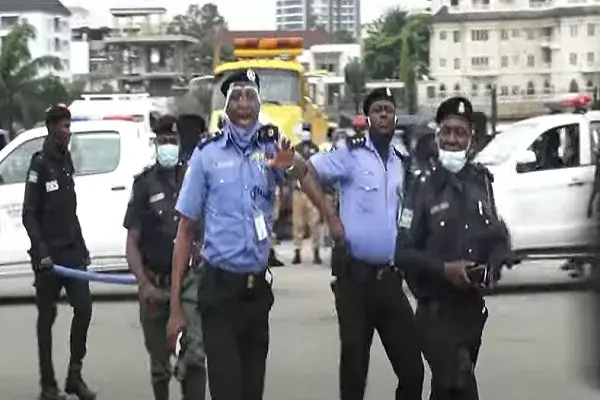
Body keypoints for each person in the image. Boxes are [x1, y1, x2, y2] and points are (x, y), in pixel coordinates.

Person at [289, 88, 425, 400]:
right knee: (354, 371)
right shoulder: (349, 153)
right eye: (377, 110)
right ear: (366, 118)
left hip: (390, 280)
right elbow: (304, 171)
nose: (384, 116)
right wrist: (330, 216)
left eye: (389, 110)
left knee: (412, 370)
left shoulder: (402, 160)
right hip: (355, 281)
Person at [167, 69, 294, 400]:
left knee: (253, 392)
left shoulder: (270, 149)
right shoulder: (207, 155)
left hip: (256, 293)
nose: (243, 104)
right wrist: (176, 308)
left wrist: (290, 165)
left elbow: (299, 176)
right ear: (226, 105)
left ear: (258, 103)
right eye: (236, 96)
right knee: (227, 391)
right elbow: (185, 231)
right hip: (219, 291)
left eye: (250, 96)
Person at [395, 96, 511, 400]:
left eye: (460, 133)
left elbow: (498, 236)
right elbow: (402, 252)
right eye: (446, 132)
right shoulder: (421, 185)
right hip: (436, 312)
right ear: (437, 136)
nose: (452, 139)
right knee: (459, 384)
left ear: (470, 139)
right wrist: (444, 270)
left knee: (447, 389)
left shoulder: (481, 181)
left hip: (471, 311)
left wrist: (494, 265)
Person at [123, 115, 206, 400]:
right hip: (155, 287)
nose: (168, 146)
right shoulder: (143, 184)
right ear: (155, 144)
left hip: (188, 286)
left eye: (173, 141)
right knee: (159, 366)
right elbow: (132, 243)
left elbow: (205, 229)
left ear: (181, 143)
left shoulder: (194, 179)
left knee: (194, 358)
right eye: (163, 141)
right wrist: (143, 283)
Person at [22, 104, 96, 400]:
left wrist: (83, 247)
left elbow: (71, 212)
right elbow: (29, 214)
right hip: (48, 259)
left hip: (72, 254)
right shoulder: (39, 165)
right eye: (63, 126)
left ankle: (74, 375)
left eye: (69, 125)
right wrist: (41, 252)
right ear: (51, 128)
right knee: (46, 320)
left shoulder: (66, 162)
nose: (68, 131)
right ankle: (48, 384)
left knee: (85, 309)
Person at [292, 122, 322, 264]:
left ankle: (316, 252)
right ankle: (297, 252)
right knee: (298, 222)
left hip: (312, 190)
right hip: (298, 191)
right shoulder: (295, 149)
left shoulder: (315, 149)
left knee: (314, 222)